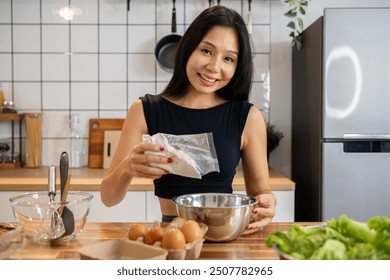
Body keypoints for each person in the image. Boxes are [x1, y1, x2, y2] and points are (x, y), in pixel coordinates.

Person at [100, 5, 276, 235]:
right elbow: (108, 198)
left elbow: (261, 193)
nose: (214, 67)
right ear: (188, 48)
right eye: (206, 50)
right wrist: (127, 167)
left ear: (237, 66)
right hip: (171, 235)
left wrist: (268, 203)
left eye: (229, 59)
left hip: (226, 234)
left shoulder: (247, 117)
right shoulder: (144, 110)